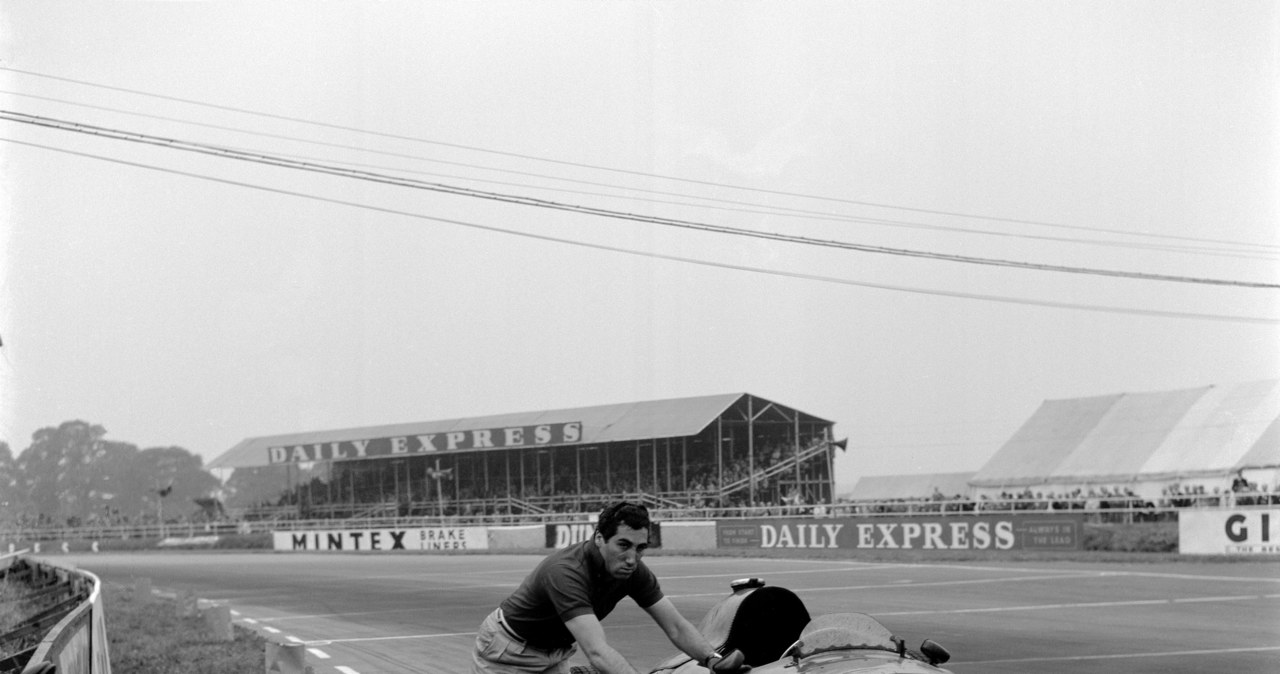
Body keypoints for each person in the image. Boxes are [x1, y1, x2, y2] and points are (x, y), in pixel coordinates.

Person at [471, 501, 749, 674]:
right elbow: (597, 651)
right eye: (624, 545)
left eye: (641, 548)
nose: (632, 558)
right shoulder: (566, 572)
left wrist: (712, 659)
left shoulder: (633, 570)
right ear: (600, 538)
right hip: (507, 653)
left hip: (554, 655)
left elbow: (675, 626)